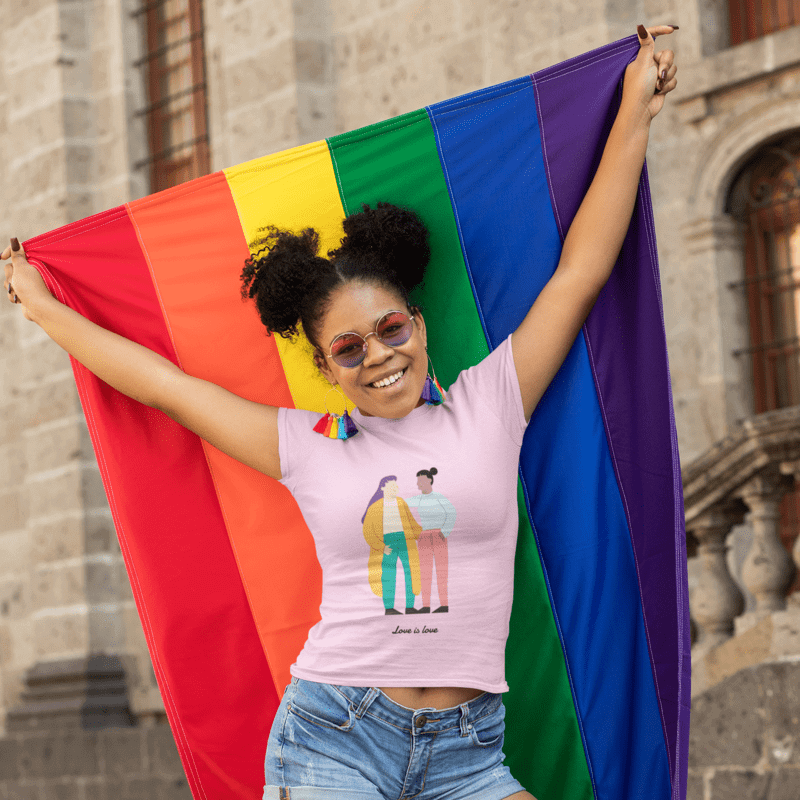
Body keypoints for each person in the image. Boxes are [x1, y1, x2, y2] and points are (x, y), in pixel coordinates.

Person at [3, 24, 677, 800]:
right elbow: (166, 388)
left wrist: (633, 109)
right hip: (335, 736)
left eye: (392, 330)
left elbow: (579, 275)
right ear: (326, 368)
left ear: (419, 327)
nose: (380, 354)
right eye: (350, 348)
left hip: (469, 752)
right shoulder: (308, 445)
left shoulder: (488, 404)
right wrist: (41, 305)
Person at [361, 475, 423, 615]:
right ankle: (389, 608)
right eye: (392, 486)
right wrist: (381, 546)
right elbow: (368, 531)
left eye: (396, 486)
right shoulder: (375, 507)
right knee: (388, 575)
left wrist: (423, 536)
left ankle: (410, 606)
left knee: (410, 573)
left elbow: (411, 523)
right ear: (383, 487)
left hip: (405, 541)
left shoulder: (401, 502)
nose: (396, 488)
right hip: (386, 544)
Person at [406, 467, 456, 613]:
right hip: (424, 537)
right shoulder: (418, 499)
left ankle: (444, 604)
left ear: (428, 480)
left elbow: (451, 513)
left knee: (441, 570)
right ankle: (426, 605)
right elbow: (402, 504)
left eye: (420, 481)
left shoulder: (439, 497)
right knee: (425, 572)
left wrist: (445, 531)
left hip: (439, 536)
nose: (418, 484)